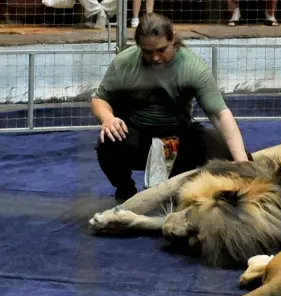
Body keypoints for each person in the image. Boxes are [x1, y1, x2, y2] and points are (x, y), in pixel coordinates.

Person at [91, 13, 250, 202]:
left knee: (232, 152)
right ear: (138, 46)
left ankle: (184, 182)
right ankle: (125, 188)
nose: (155, 57)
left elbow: (220, 114)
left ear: (173, 39)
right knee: (109, 141)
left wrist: (242, 164)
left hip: (177, 140)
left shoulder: (192, 67)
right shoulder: (124, 62)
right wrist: (107, 118)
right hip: (138, 139)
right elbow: (100, 99)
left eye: (161, 50)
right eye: (148, 52)